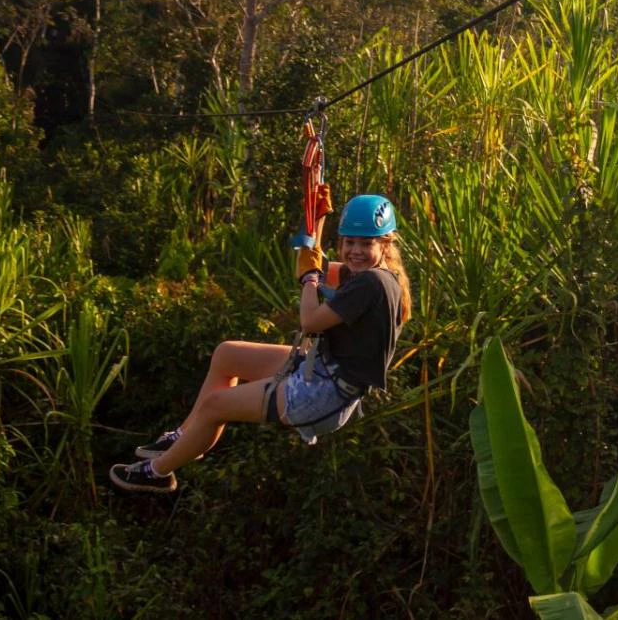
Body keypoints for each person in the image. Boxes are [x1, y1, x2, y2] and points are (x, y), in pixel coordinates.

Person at [109, 194, 413, 494]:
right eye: (350, 242)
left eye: (366, 243)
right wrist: (315, 218)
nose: (355, 251)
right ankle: (184, 435)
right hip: (321, 368)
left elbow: (309, 318)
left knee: (215, 407)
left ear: (385, 244)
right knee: (227, 354)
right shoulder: (370, 274)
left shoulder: (370, 283)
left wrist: (309, 281)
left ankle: (157, 472)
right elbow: (316, 262)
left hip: (323, 393)